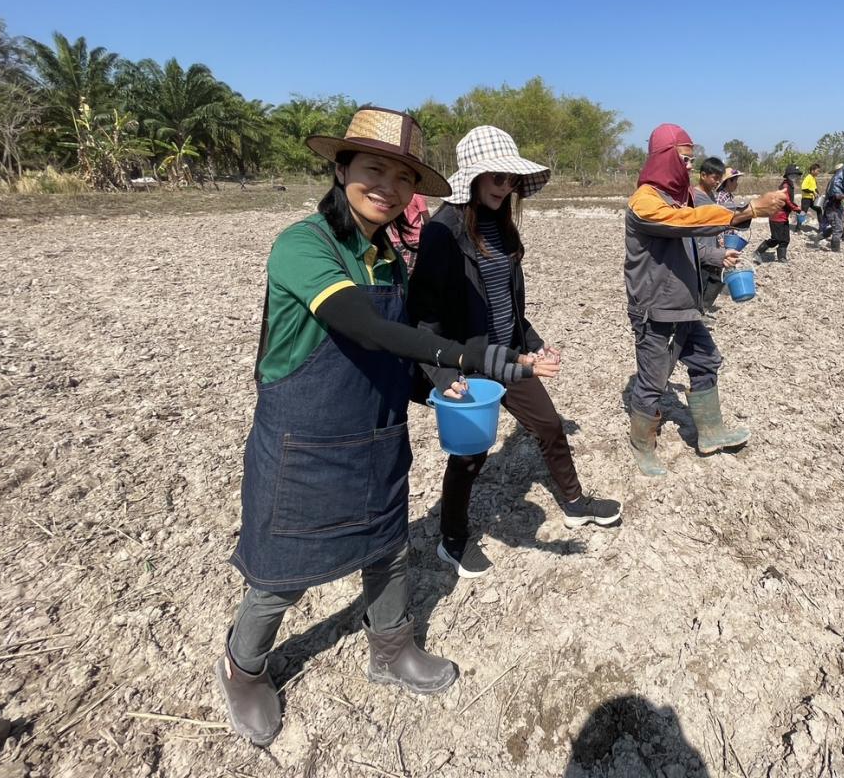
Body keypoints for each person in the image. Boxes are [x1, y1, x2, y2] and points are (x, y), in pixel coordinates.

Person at [216, 107, 536, 747]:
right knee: (281, 574)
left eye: (402, 175)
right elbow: (362, 325)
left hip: (376, 434)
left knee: (388, 553)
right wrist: (463, 354)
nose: (387, 186)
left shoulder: (389, 256)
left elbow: (390, 353)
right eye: (372, 168)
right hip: (302, 444)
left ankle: (390, 649)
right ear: (340, 169)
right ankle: (243, 666)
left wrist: (441, 386)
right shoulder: (303, 245)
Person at [408, 126, 621, 578]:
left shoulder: (502, 225)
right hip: (469, 363)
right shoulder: (441, 233)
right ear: (473, 177)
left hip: (510, 355)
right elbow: (424, 320)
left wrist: (532, 341)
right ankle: (452, 539)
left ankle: (575, 503)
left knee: (548, 425)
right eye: (498, 178)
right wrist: (446, 378)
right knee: (468, 455)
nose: (506, 187)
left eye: (511, 180)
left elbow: (506, 302)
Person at [624, 124, 787, 476]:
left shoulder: (680, 199)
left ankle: (711, 432)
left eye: (690, 160)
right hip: (657, 308)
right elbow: (685, 223)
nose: (688, 167)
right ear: (665, 158)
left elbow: (695, 239)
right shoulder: (646, 202)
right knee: (654, 380)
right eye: (684, 159)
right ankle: (641, 443)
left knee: (706, 360)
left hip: (684, 304)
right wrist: (748, 210)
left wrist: (719, 257)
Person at [692, 157, 735, 310]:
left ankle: (701, 312)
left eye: (719, 179)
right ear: (703, 175)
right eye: (715, 178)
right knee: (699, 284)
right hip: (699, 249)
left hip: (712, 247)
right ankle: (693, 318)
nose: (717, 182)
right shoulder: (694, 197)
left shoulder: (711, 196)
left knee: (716, 279)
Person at [754, 164, 802, 263]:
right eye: (792, 175)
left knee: (785, 239)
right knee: (776, 239)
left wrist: (796, 207)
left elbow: (789, 201)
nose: (794, 177)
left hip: (783, 217)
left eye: (796, 175)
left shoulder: (790, 185)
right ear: (788, 175)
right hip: (776, 216)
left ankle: (782, 257)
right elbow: (787, 200)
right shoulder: (785, 186)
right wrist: (797, 209)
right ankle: (758, 252)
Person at [818, 161, 844, 251]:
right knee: (837, 227)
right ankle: (835, 248)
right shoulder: (836, 181)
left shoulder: (837, 180)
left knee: (836, 225)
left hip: (833, 206)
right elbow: (837, 196)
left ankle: (821, 236)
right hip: (832, 207)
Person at [387, 193, 430, 274]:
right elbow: (427, 220)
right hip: (413, 241)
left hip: (395, 239)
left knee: (396, 270)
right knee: (409, 271)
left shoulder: (395, 195)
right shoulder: (418, 196)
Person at [796, 162, 821, 229]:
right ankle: (797, 228)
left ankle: (822, 227)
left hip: (812, 199)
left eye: (819, 171)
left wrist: (818, 193)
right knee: (803, 213)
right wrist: (813, 192)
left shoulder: (813, 178)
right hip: (806, 199)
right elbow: (804, 188)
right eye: (817, 171)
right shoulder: (808, 177)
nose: (818, 172)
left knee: (819, 209)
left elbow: (815, 188)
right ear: (812, 170)